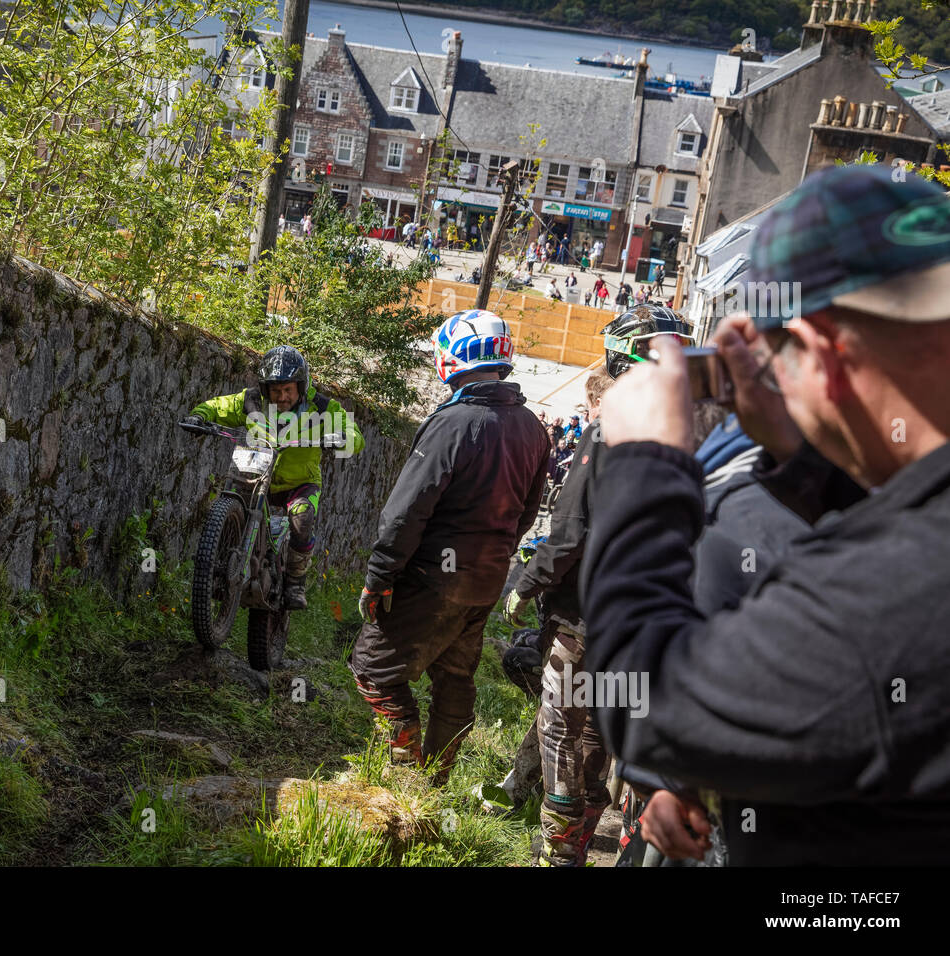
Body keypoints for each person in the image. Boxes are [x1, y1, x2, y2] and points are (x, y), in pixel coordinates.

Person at [582, 164, 950, 865]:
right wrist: (801, 459)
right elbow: (906, 517)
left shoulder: (880, 605)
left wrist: (646, 466)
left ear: (820, 354)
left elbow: (651, 705)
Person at [351, 311, 549, 785]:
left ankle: (407, 770)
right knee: (454, 676)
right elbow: (528, 513)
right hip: (487, 578)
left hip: (433, 577)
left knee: (373, 668)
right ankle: (436, 779)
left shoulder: (453, 422)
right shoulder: (533, 427)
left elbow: (405, 511)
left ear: (454, 358)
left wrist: (380, 577)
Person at [501, 363, 617, 864]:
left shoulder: (601, 439)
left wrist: (526, 586)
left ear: (598, 405)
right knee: (596, 726)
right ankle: (585, 834)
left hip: (584, 614)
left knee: (560, 728)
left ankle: (561, 847)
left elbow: (568, 534)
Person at [183, 346, 365, 611]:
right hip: (256, 475)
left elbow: (354, 433)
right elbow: (218, 406)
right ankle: (218, 564)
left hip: (299, 483)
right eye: (276, 390)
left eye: (288, 390)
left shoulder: (323, 407)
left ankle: (294, 582)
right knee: (228, 502)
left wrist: (342, 438)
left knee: (302, 517)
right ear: (266, 388)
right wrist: (200, 417)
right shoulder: (252, 401)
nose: (281, 396)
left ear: (301, 387)